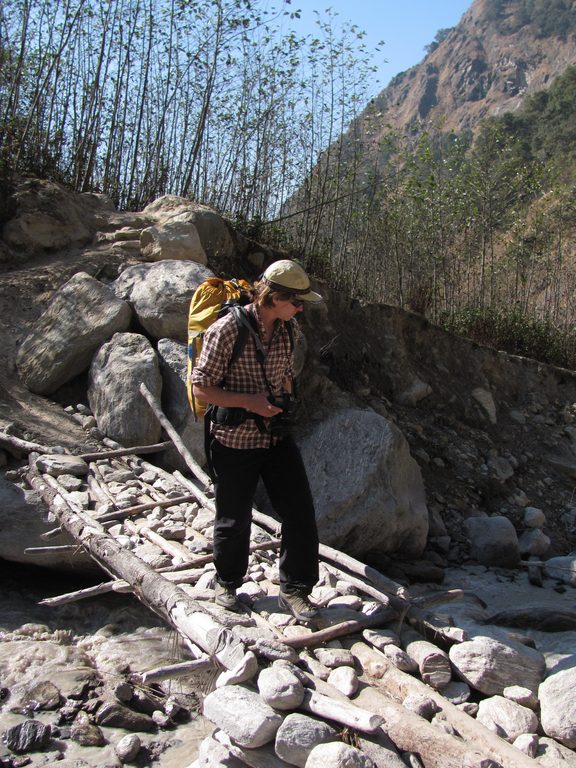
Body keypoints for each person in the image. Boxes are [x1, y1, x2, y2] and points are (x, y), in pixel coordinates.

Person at [191, 259, 322, 621]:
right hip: (235, 438)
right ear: (274, 296)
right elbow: (201, 386)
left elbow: (285, 375)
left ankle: (295, 589)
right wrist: (250, 402)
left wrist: (284, 402)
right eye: (296, 302)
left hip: (275, 437)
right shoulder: (227, 330)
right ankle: (227, 582)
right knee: (234, 516)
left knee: (300, 511)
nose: (300, 309)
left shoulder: (288, 329)